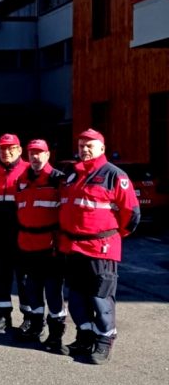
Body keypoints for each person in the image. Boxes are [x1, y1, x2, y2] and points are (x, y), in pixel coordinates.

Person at [58, 128, 140, 364]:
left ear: (102, 148)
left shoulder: (114, 175)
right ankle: (84, 336)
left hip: (101, 248)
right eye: (81, 145)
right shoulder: (73, 174)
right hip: (73, 247)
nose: (84, 149)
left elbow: (132, 214)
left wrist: (112, 236)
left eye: (90, 145)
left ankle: (104, 340)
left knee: (100, 296)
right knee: (76, 296)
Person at [14, 139, 67, 351]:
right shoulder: (22, 179)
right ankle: (36, 327)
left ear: (47, 155)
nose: (35, 157)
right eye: (31, 153)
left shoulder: (58, 180)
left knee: (53, 291)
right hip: (27, 245)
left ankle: (56, 334)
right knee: (32, 290)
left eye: (39, 153)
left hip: (50, 246)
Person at [0, 134, 30, 334]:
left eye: (11, 148)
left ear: (20, 150)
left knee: (25, 278)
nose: (6, 152)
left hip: (21, 233)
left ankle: (30, 317)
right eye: (2, 149)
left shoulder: (29, 171)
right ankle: (3, 316)